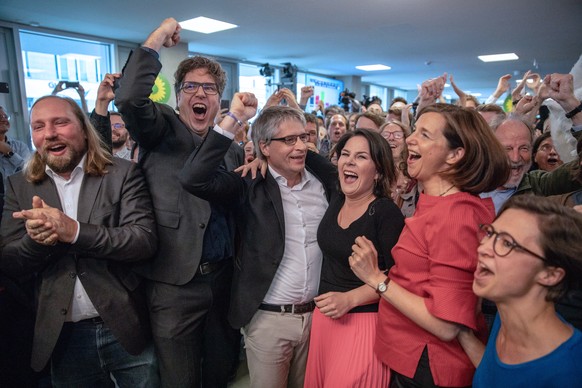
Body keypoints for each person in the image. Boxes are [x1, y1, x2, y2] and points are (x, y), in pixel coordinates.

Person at [114, 18, 243, 388]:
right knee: (179, 379)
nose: (200, 94)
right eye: (191, 87)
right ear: (177, 95)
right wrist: (157, 37)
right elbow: (128, 98)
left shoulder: (232, 150)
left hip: (223, 282)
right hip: (174, 284)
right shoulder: (161, 129)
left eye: (209, 88)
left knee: (222, 373)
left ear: (219, 99)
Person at [0, 95, 159, 387]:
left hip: (125, 327)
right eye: (38, 126)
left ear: (84, 129)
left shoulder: (122, 174)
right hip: (62, 337)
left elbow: (142, 240)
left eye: (60, 122)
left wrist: (73, 231)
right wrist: (37, 241)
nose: (49, 133)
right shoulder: (19, 185)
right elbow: (9, 260)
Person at [349, 103, 510, 387]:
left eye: (424, 135)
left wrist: (376, 278)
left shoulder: (454, 215)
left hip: (430, 364)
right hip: (411, 354)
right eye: (415, 131)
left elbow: (446, 325)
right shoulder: (437, 201)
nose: (410, 139)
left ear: (455, 155)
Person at [179, 105, 337, 388]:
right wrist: (233, 119)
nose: (300, 146)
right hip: (269, 320)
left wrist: (289, 148)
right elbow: (193, 178)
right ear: (263, 145)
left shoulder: (322, 183)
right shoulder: (250, 183)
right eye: (289, 140)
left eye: (303, 138)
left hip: (320, 318)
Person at [304, 129, 405, 387]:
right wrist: (261, 155)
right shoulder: (338, 197)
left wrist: (350, 299)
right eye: (345, 154)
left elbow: (401, 279)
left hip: (363, 323)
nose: (349, 161)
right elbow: (306, 152)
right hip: (325, 323)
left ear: (379, 171)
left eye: (361, 157)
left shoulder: (386, 213)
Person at [457, 195, 582, 387]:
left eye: (507, 243)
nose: (483, 248)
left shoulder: (569, 371)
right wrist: (462, 334)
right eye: (490, 234)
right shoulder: (507, 315)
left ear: (550, 274)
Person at [0, 105, 31, 189]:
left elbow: (30, 171)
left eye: (5, 116)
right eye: (0, 117)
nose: (4, 119)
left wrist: (10, 153)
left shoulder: (20, 146)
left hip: (17, 197)